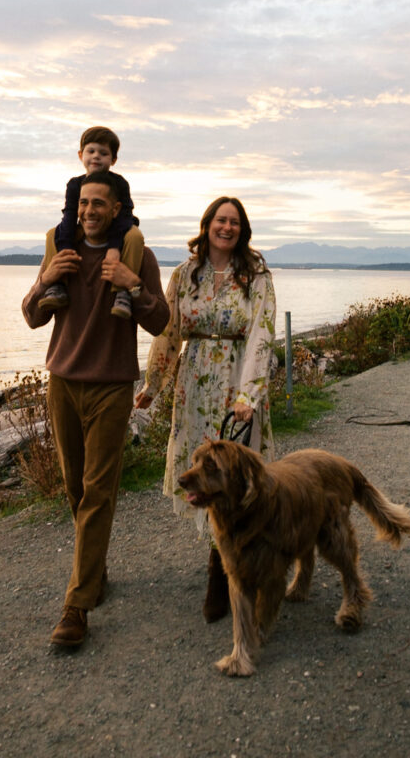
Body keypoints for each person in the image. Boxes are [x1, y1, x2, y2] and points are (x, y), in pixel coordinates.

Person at [22, 171, 169, 647]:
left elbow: (161, 320)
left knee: (98, 492)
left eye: (98, 204)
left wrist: (134, 285)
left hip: (111, 387)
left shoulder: (137, 255)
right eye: (83, 203)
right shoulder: (60, 249)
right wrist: (46, 278)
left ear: (117, 207)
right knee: (74, 489)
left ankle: (76, 607)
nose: (88, 211)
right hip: (62, 383)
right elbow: (31, 316)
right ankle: (95, 573)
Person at [135, 196, 276, 623]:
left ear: (242, 228)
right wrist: (153, 384)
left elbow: (263, 334)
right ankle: (222, 564)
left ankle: (224, 573)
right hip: (193, 386)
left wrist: (247, 396)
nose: (227, 227)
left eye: (234, 222)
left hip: (236, 385)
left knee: (235, 481)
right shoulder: (185, 273)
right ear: (207, 224)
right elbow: (168, 331)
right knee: (203, 478)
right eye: (221, 220)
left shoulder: (256, 275)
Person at [38, 125, 144, 319]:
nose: (96, 156)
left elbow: (125, 216)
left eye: (103, 153)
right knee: (53, 233)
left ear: (113, 159)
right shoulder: (74, 184)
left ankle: (122, 292)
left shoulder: (119, 184)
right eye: (91, 151)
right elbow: (70, 217)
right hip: (83, 230)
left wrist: (114, 247)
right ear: (81, 155)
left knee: (135, 235)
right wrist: (65, 250)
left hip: (119, 229)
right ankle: (57, 285)